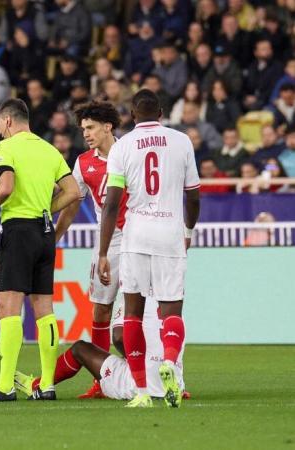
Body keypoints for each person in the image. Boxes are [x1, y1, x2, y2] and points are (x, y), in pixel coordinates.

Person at [0, 99, 81, 402]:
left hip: (18, 231)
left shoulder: (4, 150)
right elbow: (73, 192)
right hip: (43, 233)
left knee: (8, 308)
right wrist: (45, 211)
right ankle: (48, 386)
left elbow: (4, 187)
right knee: (44, 309)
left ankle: (3, 387)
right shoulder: (49, 149)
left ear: (6, 121)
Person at [98, 89, 200, 408]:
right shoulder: (181, 141)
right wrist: (188, 230)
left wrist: (103, 252)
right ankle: (169, 362)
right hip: (169, 233)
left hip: (135, 237)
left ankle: (141, 390)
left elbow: (112, 203)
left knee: (132, 314)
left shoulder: (122, 146)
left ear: (131, 113)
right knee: (171, 310)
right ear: (161, 113)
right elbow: (194, 196)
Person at [53, 101, 126, 399]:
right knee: (101, 310)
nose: (86, 134)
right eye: (83, 129)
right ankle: (101, 381)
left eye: (91, 127)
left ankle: (165, 373)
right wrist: (55, 236)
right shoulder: (83, 163)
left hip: (138, 240)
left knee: (145, 311)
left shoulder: (130, 151)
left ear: (108, 126)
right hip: (108, 244)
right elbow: (72, 203)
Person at [14, 297, 186, 401]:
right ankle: (173, 381)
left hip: (139, 383)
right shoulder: (172, 295)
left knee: (79, 349)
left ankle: (37, 385)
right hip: (174, 379)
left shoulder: (134, 293)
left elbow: (118, 337)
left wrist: (135, 358)